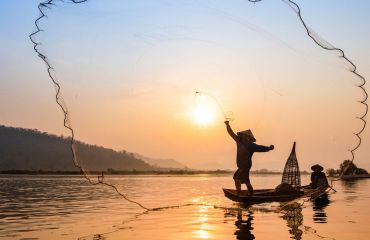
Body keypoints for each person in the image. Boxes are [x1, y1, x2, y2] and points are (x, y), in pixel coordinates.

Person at [225, 120, 274, 195]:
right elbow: (231, 133)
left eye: (244, 135)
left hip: (246, 166)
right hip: (241, 166)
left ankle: (239, 194)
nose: (243, 136)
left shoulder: (251, 145)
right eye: (242, 135)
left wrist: (269, 148)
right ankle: (251, 194)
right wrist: (227, 125)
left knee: (237, 179)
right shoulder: (239, 142)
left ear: (248, 137)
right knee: (246, 181)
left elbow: (261, 148)